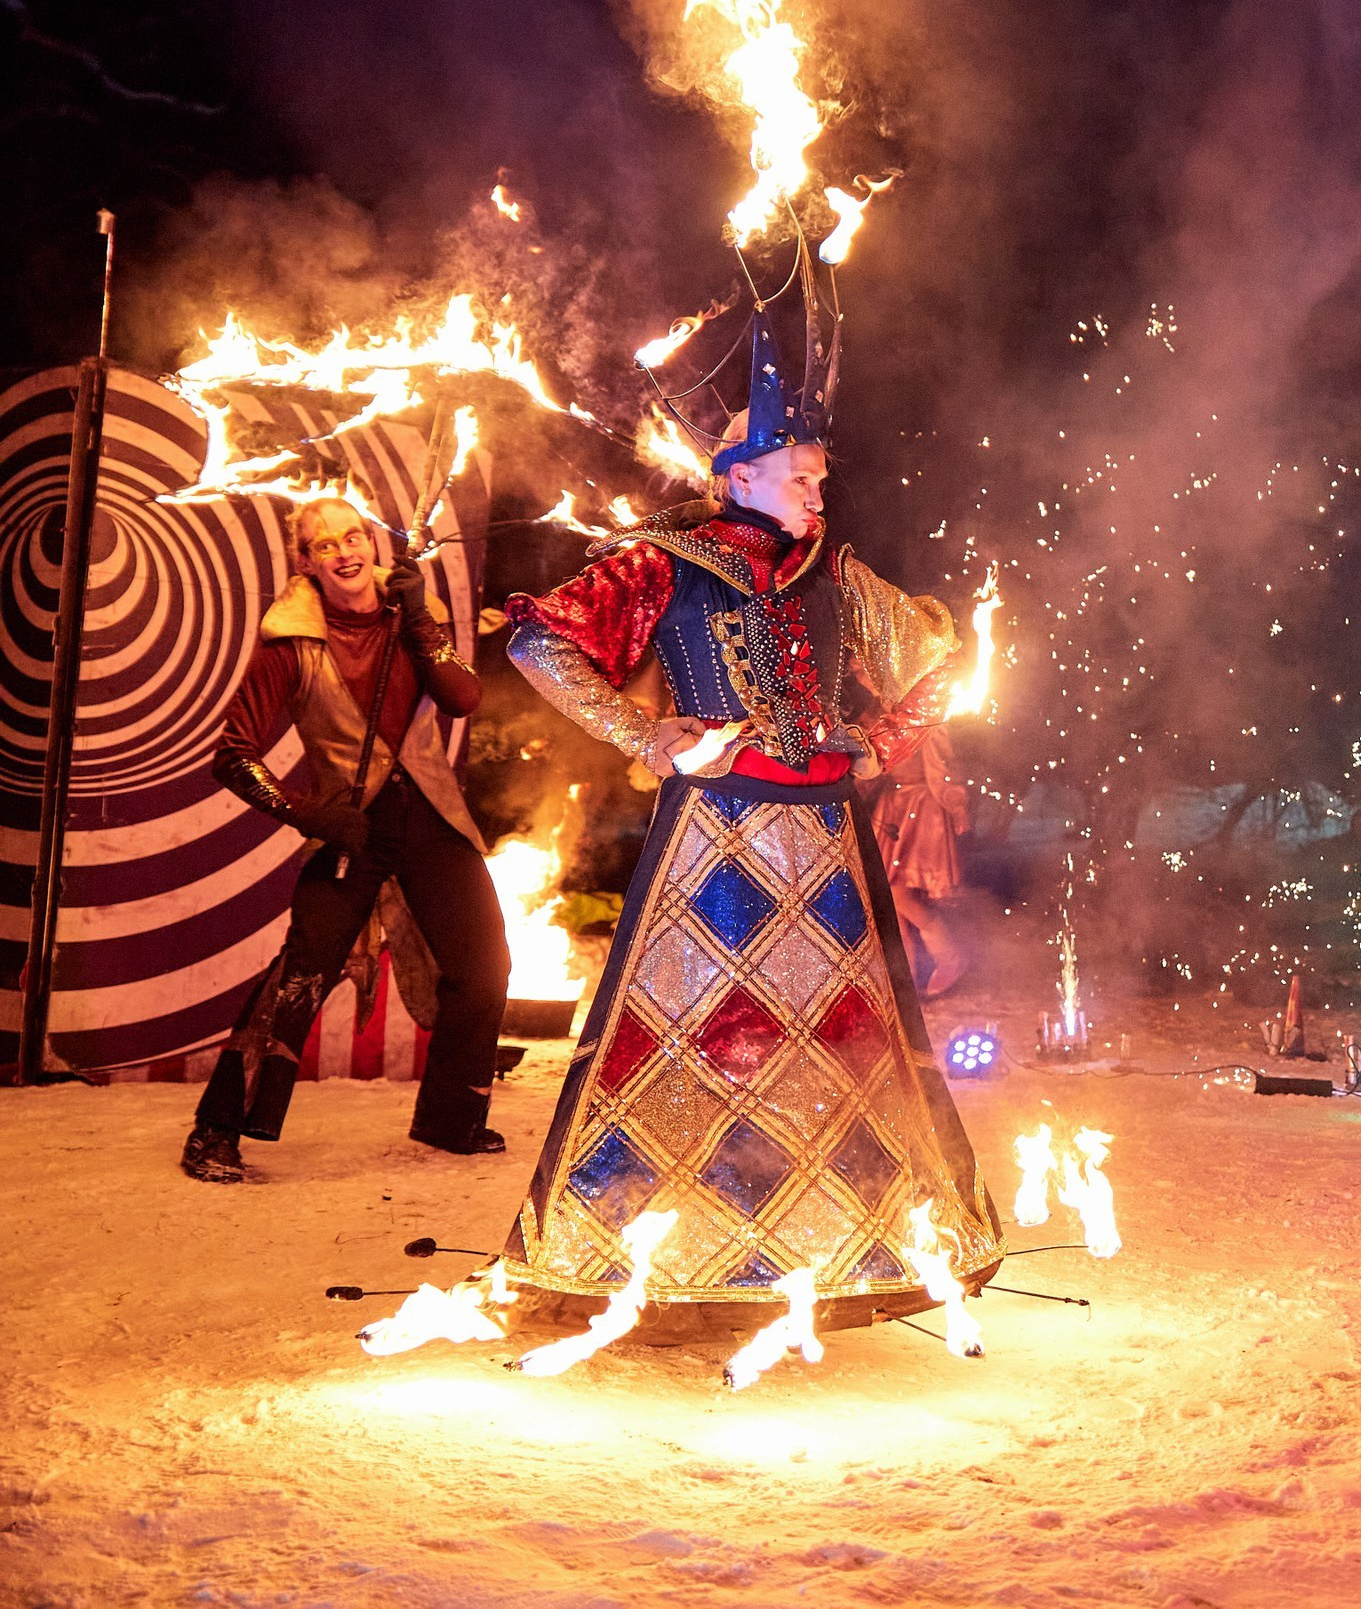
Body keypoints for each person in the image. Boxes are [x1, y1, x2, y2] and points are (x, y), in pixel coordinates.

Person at [498, 309, 1001, 1332]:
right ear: (738, 477)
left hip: (822, 839)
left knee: (831, 1046)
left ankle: (831, 1247)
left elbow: (942, 662)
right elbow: (540, 643)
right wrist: (649, 737)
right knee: (702, 1039)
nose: (820, 491)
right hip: (713, 840)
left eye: (821, 475)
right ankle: (668, 1255)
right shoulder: (663, 562)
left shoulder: (841, 578)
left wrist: (875, 744)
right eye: (801, 475)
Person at [182, 498, 512, 1183]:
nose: (344, 551)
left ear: (372, 543)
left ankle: (450, 1117)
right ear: (307, 562)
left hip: (429, 812)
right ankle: (215, 1132)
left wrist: (421, 617)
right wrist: (308, 814)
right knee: (300, 973)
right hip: (350, 823)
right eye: (324, 544)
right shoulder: (289, 641)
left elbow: (463, 696)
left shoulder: (409, 619)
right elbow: (233, 755)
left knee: (484, 965)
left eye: (353, 535)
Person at [867, 725, 973, 996]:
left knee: (898, 895)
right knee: (888, 901)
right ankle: (905, 982)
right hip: (893, 806)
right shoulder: (876, 715)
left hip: (921, 808)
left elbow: (942, 768)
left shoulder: (922, 718)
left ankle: (949, 957)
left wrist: (956, 805)